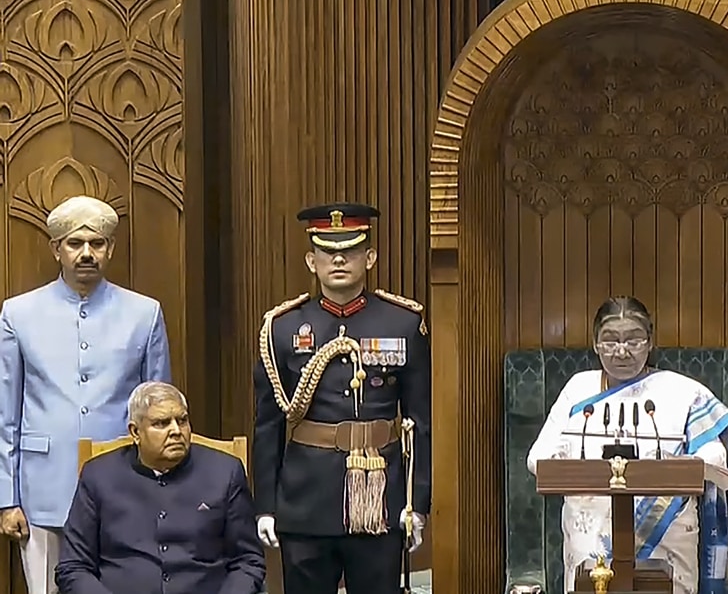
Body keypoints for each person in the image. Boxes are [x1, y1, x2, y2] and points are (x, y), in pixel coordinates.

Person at [252, 203, 431, 594]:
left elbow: (420, 423)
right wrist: (264, 505)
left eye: (350, 251)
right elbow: (267, 425)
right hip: (306, 499)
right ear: (310, 261)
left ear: (369, 258)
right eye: (327, 252)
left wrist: (417, 504)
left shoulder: (402, 322)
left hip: (379, 498)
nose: (338, 259)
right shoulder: (282, 328)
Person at [0, 195, 171, 594]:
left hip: (124, 488)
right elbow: (5, 413)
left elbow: (160, 412)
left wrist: (160, 488)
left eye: (97, 243)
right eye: (75, 244)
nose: (86, 253)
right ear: (56, 249)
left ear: (110, 248)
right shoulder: (18, 313)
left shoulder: (144, 313)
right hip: (42, 489)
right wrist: (7, 498)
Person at [526, 296, 728, 594]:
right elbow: (537, 459)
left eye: (634, 340)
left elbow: (717, 452)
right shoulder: (578, 389)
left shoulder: (681, 391)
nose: (622, 351)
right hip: (591, 542)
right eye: (610, 340)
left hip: (667, 541)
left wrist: (678, 469)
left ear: (650, 342)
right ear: (594, 343)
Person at [54, 382, 264, 593]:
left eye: (182, 420)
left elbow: (248, 561)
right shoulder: (98, 476)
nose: (176, 431)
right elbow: (74, 566)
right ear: (135, 432)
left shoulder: (225, 472)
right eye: (161, 423)